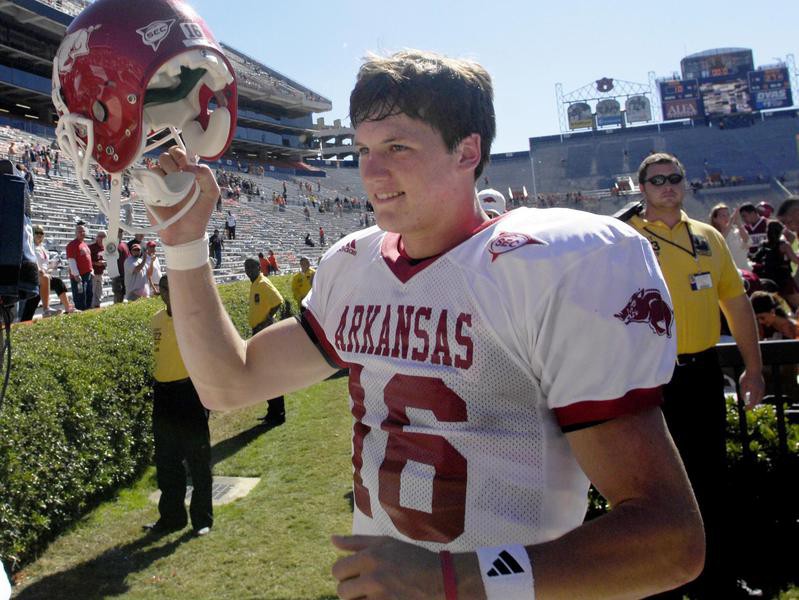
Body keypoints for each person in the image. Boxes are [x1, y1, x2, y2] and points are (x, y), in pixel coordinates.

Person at [149, 50, 703, 598]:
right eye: (363, 148)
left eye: (397, 146)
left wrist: (449, 581)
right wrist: (183, 242)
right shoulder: (355, 265)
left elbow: (671, 539)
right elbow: (229, 383)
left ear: (467, 152)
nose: (371, 171)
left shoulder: (546, 264)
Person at [625, 152, 764, 598]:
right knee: (653, 485)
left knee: (710, 479)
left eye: (674, 178)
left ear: (684, 183)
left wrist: (755, 369)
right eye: (656, 179)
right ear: (641, 188)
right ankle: (659, 582)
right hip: (649, 377)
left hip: (702, 371)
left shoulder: (707, 236)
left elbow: (737, 306)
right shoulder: (624, 238)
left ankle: (717, 577)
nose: (667, 185)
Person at [145, 275, 213, 537]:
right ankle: (172, 517)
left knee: (198, 458)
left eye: (173, 287)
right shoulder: (156, 320)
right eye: (164, 288)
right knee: (167, 460)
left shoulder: (193, 318)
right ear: (160, 292)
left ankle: (202, 519)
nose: (168, 292)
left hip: (189, 392)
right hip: (163, 395)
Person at [244, 258, 286, 426]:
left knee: (270, 374)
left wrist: (267, 320)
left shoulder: (262, 282)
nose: (247, 270)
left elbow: (278, 300)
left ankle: (278, 413)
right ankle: (272, 411)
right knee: (264, 374)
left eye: (250, 267)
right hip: (258, 332)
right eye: (245, 267)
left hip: (265, 332)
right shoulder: (255, 283)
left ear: (258, 267)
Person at [751, 220, 799, 311]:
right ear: (780, 231)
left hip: (769, 278)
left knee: (774, 305)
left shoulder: (763, 244)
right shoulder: (784, 245)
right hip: (783, 278)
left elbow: (755, 258)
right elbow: (796, 261)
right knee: (796, 304)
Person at [709, 203, 750, 270]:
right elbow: (720, 240)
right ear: (714, 219)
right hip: (726, 271)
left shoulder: (737, 232)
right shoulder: (712, 234)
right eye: (723, 215)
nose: (727, 218)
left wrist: (738, 223)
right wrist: (730, 223)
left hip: (744, 270)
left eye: (728, 215)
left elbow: (747, 240)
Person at [66, 223, 94, 310]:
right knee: (80, 297)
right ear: (76, 233)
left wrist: (91, 270)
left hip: (88, 274)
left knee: (89, 295)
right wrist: (76, 274)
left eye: (83, 231)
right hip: (80, 276)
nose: (82, 233)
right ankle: (81, 313)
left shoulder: (84, 244)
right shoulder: (72, 245)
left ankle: (87, 311)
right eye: (80, 231)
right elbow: (71, 260)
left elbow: (88, 258)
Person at [88, 230, 107, 308]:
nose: (102, 238)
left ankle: (97, 306)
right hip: (93, 273)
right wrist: (96, 263)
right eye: (100, 236)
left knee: (99, 292)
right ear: (97, 237)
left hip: (101, 272)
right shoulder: (91, 247)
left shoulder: (105, 247)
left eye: (104, 236)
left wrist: (105, 262)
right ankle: (91, 308)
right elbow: (87, 261)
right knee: (92, 292)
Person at [111, 228, 130, 304]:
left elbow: (128, 257)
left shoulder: (124, 245)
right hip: (117, 275)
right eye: (119, 232)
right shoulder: (112, 245)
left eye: (121, 232)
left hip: (125, 274)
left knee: (124, 294)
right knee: (118, 295)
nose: (120, 234)